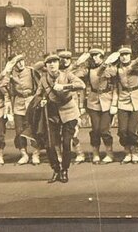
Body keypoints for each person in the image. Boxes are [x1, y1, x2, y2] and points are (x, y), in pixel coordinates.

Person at [34, 52, 86, 183]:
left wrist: (64, 87)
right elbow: (38, 94)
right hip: (52, 113)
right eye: (49, 62)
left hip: (69, 111)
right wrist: (41, 100)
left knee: (66, 143)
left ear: (58, 63)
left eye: (55, 62)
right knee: (50, 144)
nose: (52, 64)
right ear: (46, 65)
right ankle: (56, 169)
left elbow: (81, 85)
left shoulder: (67, 75)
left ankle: (65, 170)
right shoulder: (43, 79)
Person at [72, 48, 118, 164]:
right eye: (92, 56)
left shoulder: (109, 68)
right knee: (95, 129)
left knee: (104, 129)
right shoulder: (88, 69)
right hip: (93, 101)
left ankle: (109, 153)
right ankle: (95, 153)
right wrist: (77, 63)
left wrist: (114, 104)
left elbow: (111, 73)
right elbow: (72, 74)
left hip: (107, 100)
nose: (94, 58)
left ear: (102, 56)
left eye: (96, 55)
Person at [4, 54, 42, 165]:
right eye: (17, 62)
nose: (21, 64)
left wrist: (39, 99)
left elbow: (40, 85)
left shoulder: (31, 71)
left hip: (31, 102)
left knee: (34, 129)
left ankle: (36, 153)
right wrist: (7, 71)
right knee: (19, 130)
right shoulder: (11, 74)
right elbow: (2, 85)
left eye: (22, 61)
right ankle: (24, 154)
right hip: (18, 104)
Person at [56, 49, 85, 164]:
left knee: (73, 132)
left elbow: (81, 87)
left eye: (68, 58)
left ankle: (80, 153)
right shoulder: (55, 71)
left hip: (72, 102)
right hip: (57, 104)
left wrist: (81, 105)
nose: (65, 61)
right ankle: (59, 155)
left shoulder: (76, 71)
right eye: (63, 59)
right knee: (58, 132)